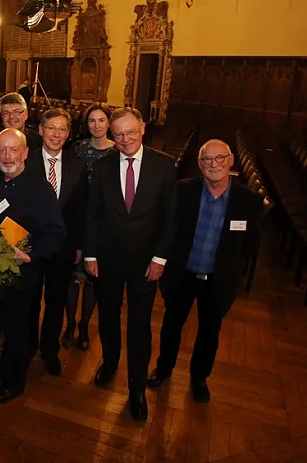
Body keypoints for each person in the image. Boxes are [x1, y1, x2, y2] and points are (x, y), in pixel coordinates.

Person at [147, 140, 263, 403]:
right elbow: (167, 229)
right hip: (183, 274)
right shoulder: (183, 191)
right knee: (171, 326)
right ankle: (164, 369)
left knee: (209, 332)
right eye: (207, 160)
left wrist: (230, 268)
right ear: (200, 164)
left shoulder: (249, 201)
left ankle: (199, 378)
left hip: (217, 279)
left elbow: (250, 244)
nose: (214, 165)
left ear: (231, 160)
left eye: (220, 158)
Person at [84, 107, 177, 422]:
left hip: (146, 264)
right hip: (106, 262)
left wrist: (160, 258)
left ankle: (136, 388)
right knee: (108, 318)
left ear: (143, 129)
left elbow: (170, 217)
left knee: (139, 327)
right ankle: (109, 364)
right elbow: (92, 214)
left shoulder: (164, 166)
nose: (124, 139)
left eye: (130, 132)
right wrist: (91, 255)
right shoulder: (102, 166)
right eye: (118, 133)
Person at [0, 129, 66, 404]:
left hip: (20, 274)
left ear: (24, 153)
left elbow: (56, 234)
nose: (7, 156)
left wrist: (30, 256)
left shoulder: (39, 188)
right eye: (2, 150)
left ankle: (12, 382)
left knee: (15, 330)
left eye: (13, 150)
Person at [25, 109, 88, 376]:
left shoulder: (77, 165)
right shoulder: (26, 161)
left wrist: (80, 245)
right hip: (29, 246)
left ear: (69, 133)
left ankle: (49, 349)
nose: (57, 134)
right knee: (29, 300)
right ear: (40, 130)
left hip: (63, 248)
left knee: (56, 301)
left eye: (63, 129)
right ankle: (26, 348)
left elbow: (81, 209)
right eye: (52, 128)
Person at [66, 103, 115, 350]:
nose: (96, 125)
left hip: (103, 224)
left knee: (93, 278)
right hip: (78, 218)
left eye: (101, 120)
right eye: (92, 121)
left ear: (109, 123)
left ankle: (85, 326)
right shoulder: (77, 149)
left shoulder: (116, 153)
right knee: (73, 278)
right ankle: (70, 325)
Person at [0, 93, 43, 188]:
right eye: (6, 113)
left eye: (16, 111)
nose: (11, 116)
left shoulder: (38, 141)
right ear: (1, 116)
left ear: (26, 114)